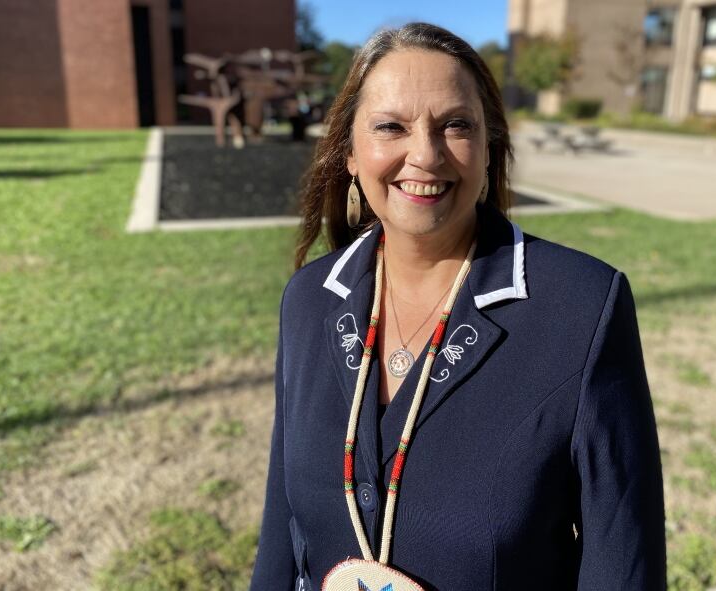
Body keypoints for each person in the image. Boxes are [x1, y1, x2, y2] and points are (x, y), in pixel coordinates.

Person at [250, 22, 666, 591]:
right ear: (349, 152)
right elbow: (283, 530)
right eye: (390, 127)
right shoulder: (308, 301)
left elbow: (623, 562)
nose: (424, 153)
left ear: (489, 146)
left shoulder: (582, 306)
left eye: (455, 125)